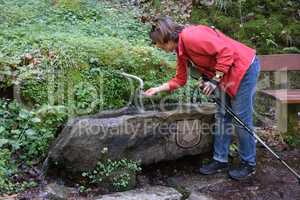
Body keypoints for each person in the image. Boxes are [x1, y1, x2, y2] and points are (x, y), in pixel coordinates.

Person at [144, 16, 260, 180]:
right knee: (222, 116)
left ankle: (249, 164)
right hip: (224, 73)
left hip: (243, 69)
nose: (158, 46)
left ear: (167, 37)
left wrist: (214, 80)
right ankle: (220, 160)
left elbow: (226, 52)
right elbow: (180, 79)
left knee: (240, 118)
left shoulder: (192, 36)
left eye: (158, 43)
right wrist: (157, 89)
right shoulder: (181, 50)